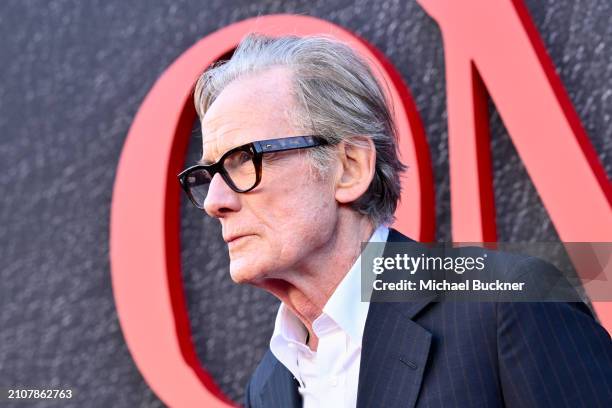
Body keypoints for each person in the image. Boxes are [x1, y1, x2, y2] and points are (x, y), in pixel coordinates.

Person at [178, 34, 612, 407]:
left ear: (349, 167)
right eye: (207, 175)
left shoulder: (508, 303)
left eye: (242, 160)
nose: (215, 201)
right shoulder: (271, 384)